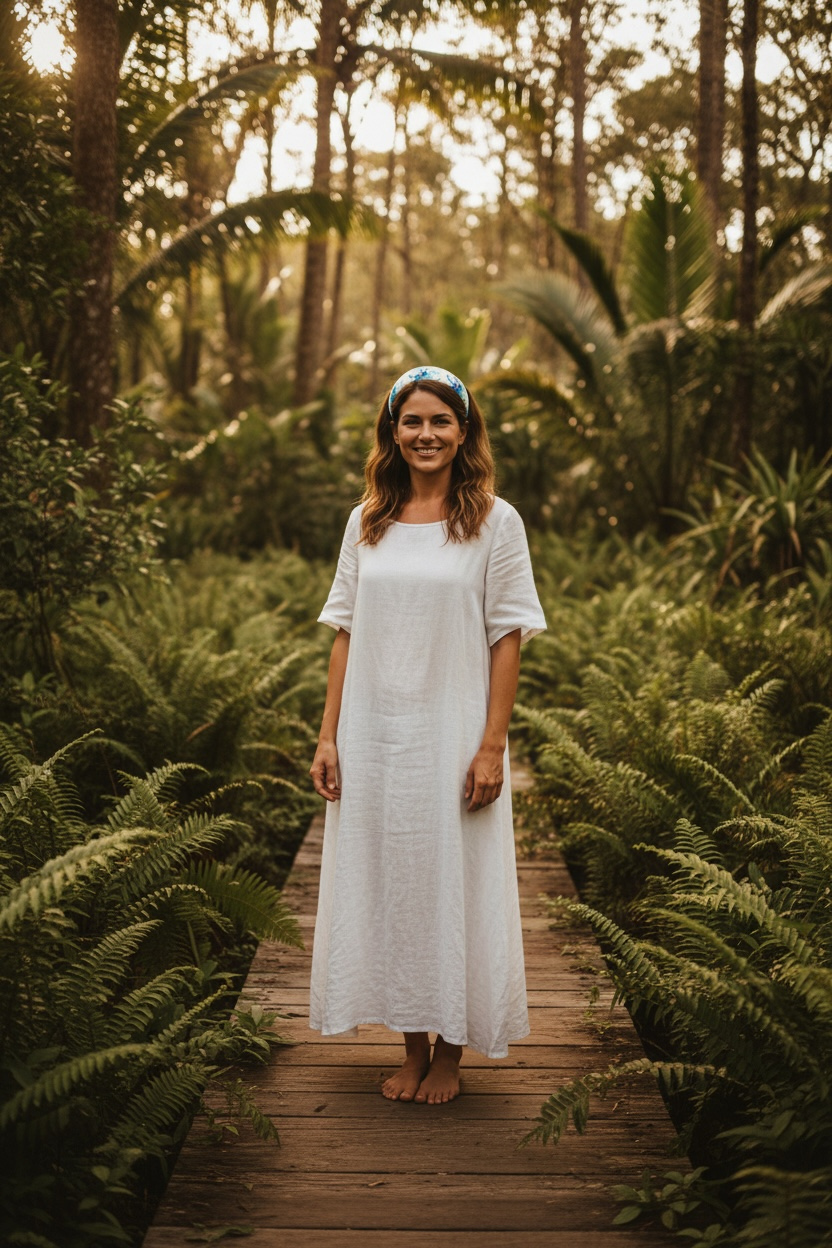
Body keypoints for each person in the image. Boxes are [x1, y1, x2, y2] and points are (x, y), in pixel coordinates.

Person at [309, 364, 546, 1105]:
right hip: (376, 738)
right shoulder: (366, 521)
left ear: (465, 429)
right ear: (392, 430)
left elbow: (507, 636)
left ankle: (451, 1052)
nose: (425, 434)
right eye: (411, 420)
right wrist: (328, 736)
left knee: (454, 881)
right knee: (395, 885)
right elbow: (344, 631)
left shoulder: (494, 522)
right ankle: (412, 1045)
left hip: (451, 732)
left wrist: (490, 745)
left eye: (440, 420)